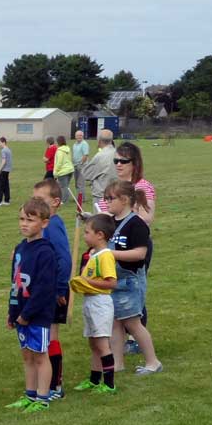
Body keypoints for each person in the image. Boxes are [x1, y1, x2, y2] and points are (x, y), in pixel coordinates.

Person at [5, 197, 58, 412]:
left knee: (39, 355)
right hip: (20, 312)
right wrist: (12, 312)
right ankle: (30, 394)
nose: (24, 224)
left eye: (30, 220)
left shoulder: (46, 252)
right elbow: (15, 281)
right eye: (21, 219)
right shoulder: (20, 248)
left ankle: (43, 398)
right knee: (26, 354)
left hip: (37, 314)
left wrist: (27, 314)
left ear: (44, 223)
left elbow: (44, 289)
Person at [105, 180, 162, 375]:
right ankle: (118, 363)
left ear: (125, 200)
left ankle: (153, 362)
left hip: (130, 282)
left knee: (133, 324)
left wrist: (111, 255)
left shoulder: (137, 224)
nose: (106, 203)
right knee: (115, 323)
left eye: (110, 199)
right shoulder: (111, 222)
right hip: (113, 282)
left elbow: (139, 254)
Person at [68, 213, 119, 394]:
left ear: (100, 235)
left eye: (87, 232)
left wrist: (87, 283)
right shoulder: (93, 254)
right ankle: (95, 379)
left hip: (100, 303)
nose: (84, 236)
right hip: (90, 301)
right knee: (93, 343)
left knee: (102, 343)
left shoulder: (105, 256)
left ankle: (109, 383)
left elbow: (111, 282)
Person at [32, 179, 73, 401]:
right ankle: (45, 381)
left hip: (53, 291)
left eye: (40, 200)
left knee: (51, 336)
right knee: (43, 337)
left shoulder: (54, 224)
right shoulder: (44, 225)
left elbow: (64, 260)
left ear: (55, 202)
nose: (34, 205)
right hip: (42, 289)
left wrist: (58, 290)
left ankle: (55, 384)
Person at [84, 129, 118, 203]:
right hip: (117, 194)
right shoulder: (119, 153)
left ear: (99, 141)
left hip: (101, 195)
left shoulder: (99, 156)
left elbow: (86, 174)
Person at [53, 135, 76, 204]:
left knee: (63, 187)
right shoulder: (68, 149)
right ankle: (64, 199)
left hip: (63, 171)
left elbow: (59, 163)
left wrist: (55, 172)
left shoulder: (60, 151)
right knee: (66, 186)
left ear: (58, 142)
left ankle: (64, 201)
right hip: (70, 170)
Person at [0, 136, 12, 205]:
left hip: (3, 170)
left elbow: (4, 161)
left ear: (4, 142)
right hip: (7, 170)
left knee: (0, 186)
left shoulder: (3, 150)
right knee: (6, 185)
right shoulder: (8, 150)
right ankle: (7, 201)